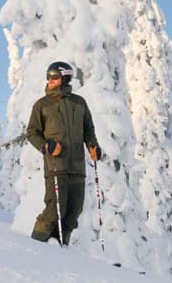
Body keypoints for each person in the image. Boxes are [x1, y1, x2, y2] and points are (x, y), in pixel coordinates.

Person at [26, 61, 102, 246]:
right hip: (56, 165)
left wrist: (93, 146)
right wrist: (46, 147)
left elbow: (88, 130)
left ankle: (62, 247)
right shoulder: (42, 105)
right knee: (54, 210)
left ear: (65, 77)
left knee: (74, 211)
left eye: (54, 76)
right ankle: (35, 244)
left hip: (77, 165)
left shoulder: (79, 102)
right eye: (48, 76)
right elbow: (32, 132)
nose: (49, 79)